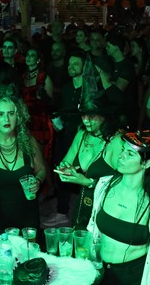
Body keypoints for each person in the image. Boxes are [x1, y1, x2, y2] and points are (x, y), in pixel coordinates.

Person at [87, 130, 150, 285]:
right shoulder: (104, 185)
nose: (121, 156)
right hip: (102, 272)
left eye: (130, 154)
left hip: (135, 277)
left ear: (146, 163)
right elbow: (92, 228)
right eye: (122, 150)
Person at [55, 98, 122, 230]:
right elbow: (66, 162)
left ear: (104, 115)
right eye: (83, 115)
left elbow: (124, 183)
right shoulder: (82, 134)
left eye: (91, 116)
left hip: (107, 209)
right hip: (83, 206)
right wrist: (65, 170)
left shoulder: (117, 141)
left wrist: (88, 182)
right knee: (79, 239)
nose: (86, 120)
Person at [0, 94, 46, 234]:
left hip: (28, 219)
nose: (6, 119)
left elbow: (41, 169)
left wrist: (38, 180)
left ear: (18, 117)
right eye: (0, 114)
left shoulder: (27, 141)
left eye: (11, 113)